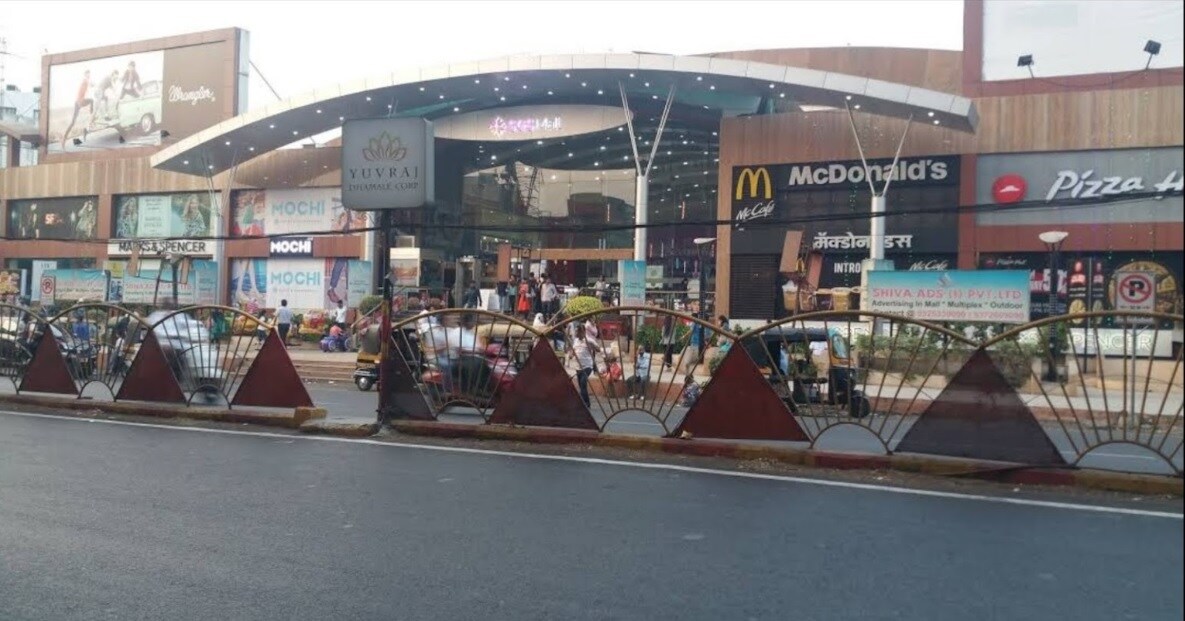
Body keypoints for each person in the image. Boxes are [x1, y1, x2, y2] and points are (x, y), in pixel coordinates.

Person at [567, 324, 599, 408]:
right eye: (576, 331)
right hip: (578, 366)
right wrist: (571, 355)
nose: (576, 333)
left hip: (587, 366)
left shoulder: (589, 340)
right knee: (581, 386)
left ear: (583, 332)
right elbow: (573, 351)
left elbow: (598, 349)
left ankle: (583, 403)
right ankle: (586, 402)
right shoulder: (576, 341)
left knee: (583, 383)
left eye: (578, 331)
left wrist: (592, 346)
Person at [61, 69, 94, 149]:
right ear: (85, 75)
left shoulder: (86, 81)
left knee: (73, 122)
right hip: (80, 102)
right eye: (87, 75)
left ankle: (64, 139)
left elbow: (89, 86)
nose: (88, 76)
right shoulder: (85, 81)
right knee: (92, 101)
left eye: (89, 74)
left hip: (77, 103)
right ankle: (91, 115)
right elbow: (88, 85)